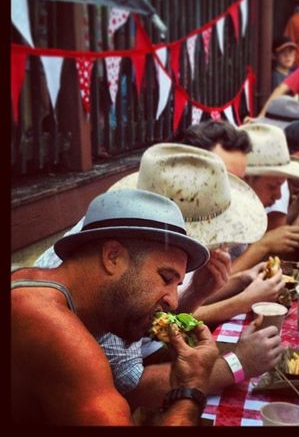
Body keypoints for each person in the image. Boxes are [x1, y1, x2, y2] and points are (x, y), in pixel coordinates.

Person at [34, 144, 285, 412]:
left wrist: (196, 293)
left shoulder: (128, 242)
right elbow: (132, 386)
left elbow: (146, 337)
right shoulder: (109, 280)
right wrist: (236, 364)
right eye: (167, 277)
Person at [12, 189, 218, 425]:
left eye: (177, 285)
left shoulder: (31, 281)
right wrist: (190, 390)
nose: (173, 301)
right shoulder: (51, 327)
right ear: (113, 257)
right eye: (165, 278)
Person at [231, 123, 299, 273]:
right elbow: (207, 288)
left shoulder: (247, 212)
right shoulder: (221, 211)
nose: (279, 196)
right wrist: (263, 245)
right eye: (272, 186)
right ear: (245, 180)